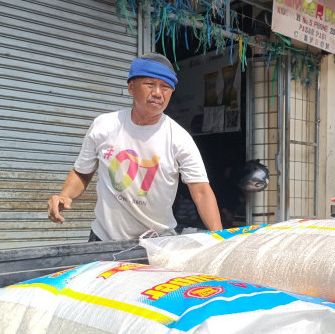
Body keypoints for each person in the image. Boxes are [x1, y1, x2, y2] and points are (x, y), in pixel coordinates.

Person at [47, 52, 222, 241]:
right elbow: (82, 172)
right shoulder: (104, 125)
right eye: (149, 84)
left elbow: (202, 192)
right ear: (131, 87)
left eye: (165, 87)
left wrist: (220, 239)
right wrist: (65, 195)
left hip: (157, 242)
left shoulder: (179, 138)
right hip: (103, 239)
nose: (157, 93)